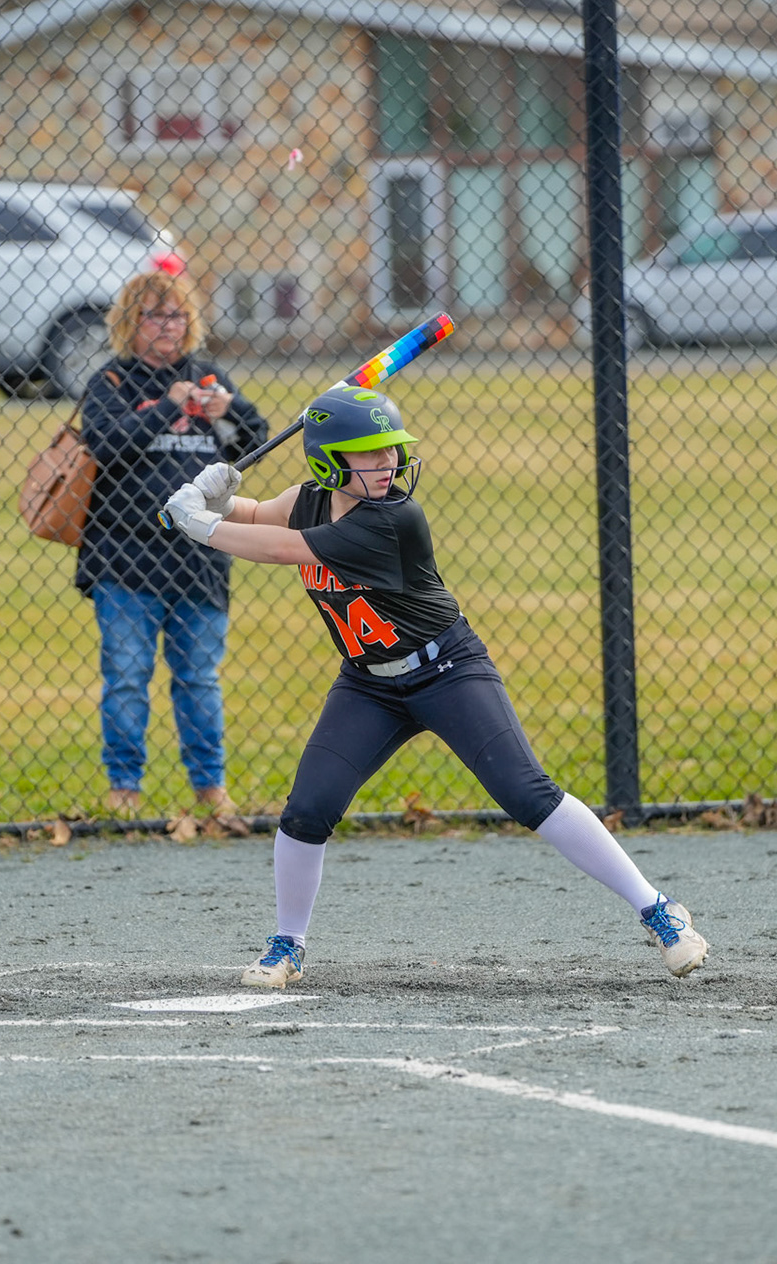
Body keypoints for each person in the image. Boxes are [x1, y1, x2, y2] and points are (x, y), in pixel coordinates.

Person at [162, 386, 707, 987]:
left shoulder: (393, 519)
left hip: (447, 668)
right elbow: (260, 516)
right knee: (308, 809)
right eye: (369, 452)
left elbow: (280, 548)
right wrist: (219, 498)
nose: (388, 463)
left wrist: (200, 523)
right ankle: (288, 944)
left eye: (391, 449)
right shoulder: (307, 500)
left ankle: (659, 911)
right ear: (327, 461)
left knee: (528, 793)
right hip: (367, 685)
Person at [76, 271, 268, 819]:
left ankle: (210, 787)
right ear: (130, 323)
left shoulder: (207, 376)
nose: (169, 325)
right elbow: (105, 444)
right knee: (127, 678)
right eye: (155, 315)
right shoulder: (111, 381)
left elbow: (255, 441)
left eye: (178, 315)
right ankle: (124, 788)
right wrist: (168, 406)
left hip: (199, 558)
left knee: (198, 678)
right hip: (124, 557)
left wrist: (230, 409)